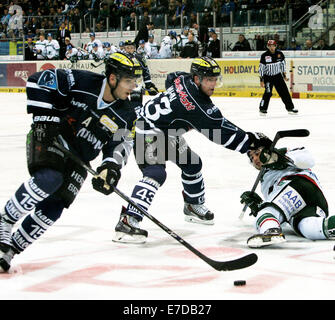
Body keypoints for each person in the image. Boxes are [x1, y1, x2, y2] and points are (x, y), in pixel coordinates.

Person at [0, 52, 143, 272]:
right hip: (53, 137)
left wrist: (110, 167)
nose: (133, 86)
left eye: (135, 81)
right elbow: (38, 81)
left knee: (55, 208)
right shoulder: (82, 81)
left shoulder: (127, 112)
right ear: (112, 78)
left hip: (80, 158)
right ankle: (5, 221)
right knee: (49, 179)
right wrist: (45, 120)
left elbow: (121, 144)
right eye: (128, 81)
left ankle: (10, 250)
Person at [112, 56, 273, 244]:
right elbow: (221, 132)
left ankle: (192, 206)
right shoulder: (196, 106)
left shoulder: (183, 79)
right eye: (209, 80)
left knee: (192, 164)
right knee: (155, 173)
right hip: (145, 131)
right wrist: (251, 142)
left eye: (215, 79)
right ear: (196, 79)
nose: (213, 84)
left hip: (167, 132)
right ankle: (128, 220)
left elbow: (171, 77)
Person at [240, 146, 335, 248]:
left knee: (267, 212)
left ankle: (271, 231)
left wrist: (278, 157)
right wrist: (259, 206)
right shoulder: (265, 178)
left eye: (257, 154)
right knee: (310, 228)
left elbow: (308, 160)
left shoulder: (283, 153)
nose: (254, 159)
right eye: (251, 158)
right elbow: (282, 211)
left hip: (299, 184)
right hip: (309, 205)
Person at [259, 40, 298, 116]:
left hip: (278, 76)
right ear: (268, 46)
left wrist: (284, 76)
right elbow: (261, 68)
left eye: (273, 46)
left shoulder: (280, 54)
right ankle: (262, 109)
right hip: (268, 77)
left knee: (285, 92)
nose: (271, 47)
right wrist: (261, 80)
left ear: (275, 46)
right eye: (270, 46)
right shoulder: (264, 55)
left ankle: (290, 108)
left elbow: (282, 65)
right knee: (268, 93)